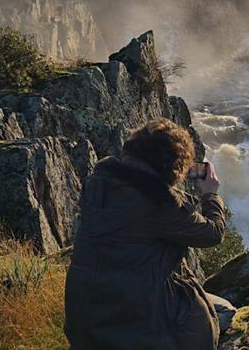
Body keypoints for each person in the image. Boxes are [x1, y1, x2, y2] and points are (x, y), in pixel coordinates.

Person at [65, 118, 235, 350]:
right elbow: (213, 233)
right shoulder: (160, 204)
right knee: (224, 311)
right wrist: (210, 194)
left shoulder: (98, 183)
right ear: (174, 165)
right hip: (138, 324)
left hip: (86, 324)